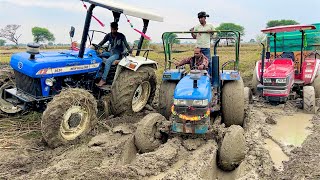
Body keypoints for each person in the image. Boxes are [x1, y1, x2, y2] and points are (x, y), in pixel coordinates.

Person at [95, 22, 132, 87]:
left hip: (117, 54)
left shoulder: (121, 36)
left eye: (115, 29)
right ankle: (97, 74)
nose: (113, 30)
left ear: (117, 29)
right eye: (112, 29)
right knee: (98, 55)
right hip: (110, 52)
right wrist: (96, 47)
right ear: (111, 28)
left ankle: (103, 80)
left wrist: (130, 51)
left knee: (108, 61)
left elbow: (126, 44)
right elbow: (102, 42)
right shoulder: (108, 35)